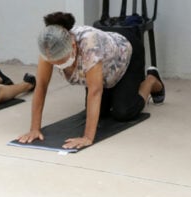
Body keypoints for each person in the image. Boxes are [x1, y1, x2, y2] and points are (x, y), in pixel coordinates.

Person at [17, 12, 164, 151]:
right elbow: (41, 86)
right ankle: (118, 91)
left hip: (126, 53)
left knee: (123, 112)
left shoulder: (89, 45)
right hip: (105, 68)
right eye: (53, 63)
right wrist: (34, 129)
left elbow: (95, 91)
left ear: (73, 47)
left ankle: (151, 80)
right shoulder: (49, 48)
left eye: (60, 61)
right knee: (100, 113)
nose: (57, 65)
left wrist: (87, 137)